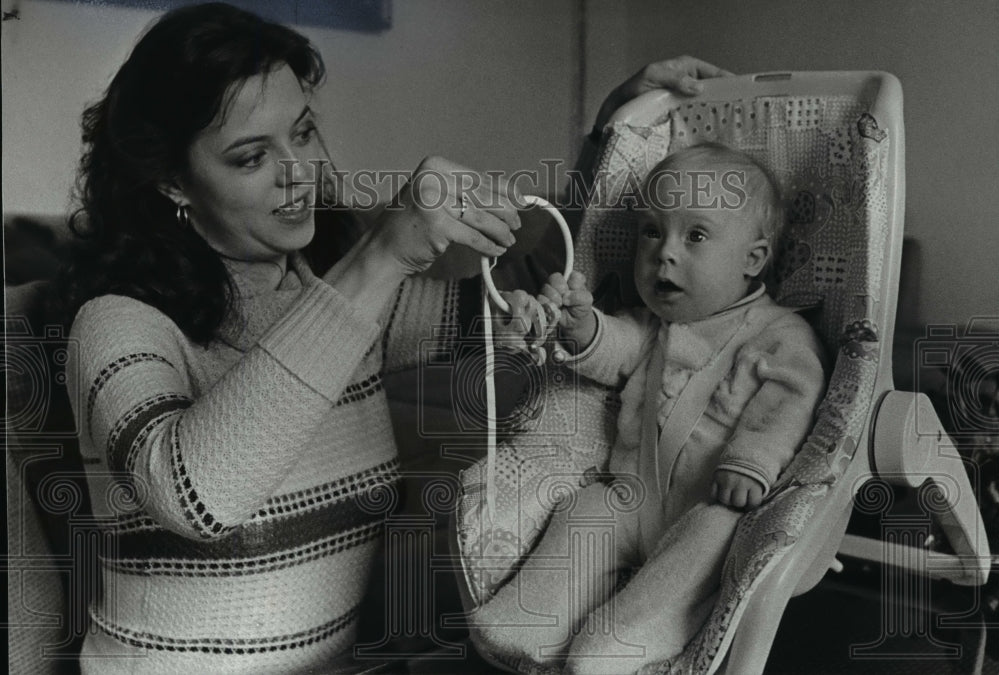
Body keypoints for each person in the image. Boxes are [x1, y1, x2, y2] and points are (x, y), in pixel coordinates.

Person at [55, 2, 730, 671]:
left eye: (305, 130)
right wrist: (381, 256)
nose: (300, 173)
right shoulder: (116, 321)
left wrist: (612, 137)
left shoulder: (328, 296)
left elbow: (522, 288)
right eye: (251, 156)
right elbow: (197, 497)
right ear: (173, 180)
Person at [476, 143, 828, 674]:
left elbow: (791, 400)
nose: (664, 252)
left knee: (705, 547)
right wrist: (583, 327)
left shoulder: (780, 334)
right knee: (581, 514)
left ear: (753, 259)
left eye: (696, 235)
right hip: (629, 493)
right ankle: (531, 619)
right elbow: (616, 349)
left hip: (708, 501)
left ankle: (626, 636)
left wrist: (751, 460)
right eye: (651, 231)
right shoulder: (649, 325)